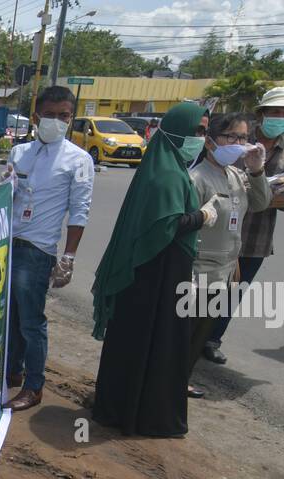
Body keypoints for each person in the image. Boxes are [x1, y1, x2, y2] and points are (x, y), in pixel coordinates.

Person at [90, 102, 210, 438]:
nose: (200, 138)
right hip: (156, 275)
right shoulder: (169, 174)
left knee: (138, 342)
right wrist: (203, 217)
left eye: (203, 131)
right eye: (195, 131)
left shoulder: (165, 165)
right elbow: (165, 227)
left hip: (150, 274)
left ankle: (122, 408)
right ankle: (145, 416)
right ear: (176, 132)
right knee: (155, 343)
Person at [3, 84, 94, 412]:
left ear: (71, 118)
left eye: (64, 116)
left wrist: (68, 257)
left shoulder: (78, 160)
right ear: (36, 115)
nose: (56, 121)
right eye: (50, 115)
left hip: (38, 250)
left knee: (31, 321)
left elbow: (79, 211)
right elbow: (5, 198)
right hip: (9, 244)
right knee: (9, 316)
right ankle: (11, 370)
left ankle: (34, 385)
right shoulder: (19, 153)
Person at [204, 87, 284, 365]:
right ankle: (191, 337)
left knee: (233, 292)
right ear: (263, 114)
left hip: (256, 236)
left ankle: (211, 340)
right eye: (275, 112)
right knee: (205, 288)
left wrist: (282, 195)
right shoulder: (237, 143)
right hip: (218, 230)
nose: (280, 118)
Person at [186, 112, 269, 397]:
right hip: (199, 269)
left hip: (226, 267)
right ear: (210, 143)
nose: (238, 143)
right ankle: (173, 380)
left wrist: (257, 170)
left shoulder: (236, 175)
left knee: (202, 331)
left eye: (243, 137)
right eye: (231, 136)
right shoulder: (197, 178)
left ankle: (181, 377)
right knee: (187, 331)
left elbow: (260, 203)